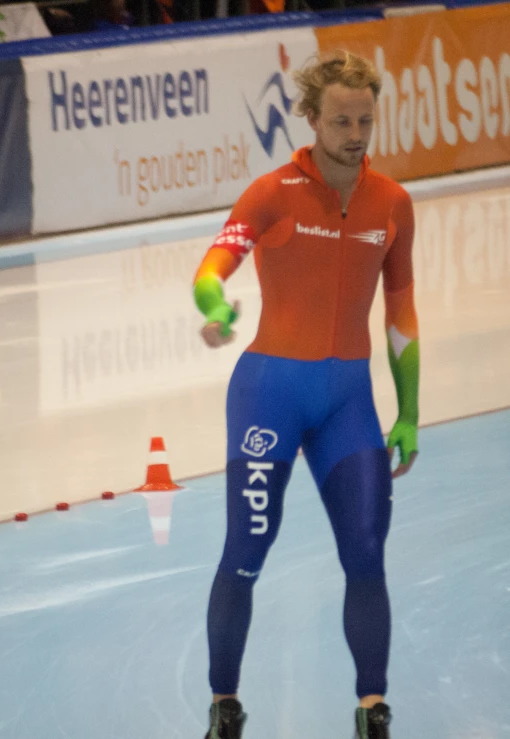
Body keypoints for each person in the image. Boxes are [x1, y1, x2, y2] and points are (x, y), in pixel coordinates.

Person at [192, 49, 419, 739]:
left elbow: (401, 313)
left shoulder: (392, 203)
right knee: (246, 548)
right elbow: (212, 267)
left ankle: (372, 708)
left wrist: (409, 409)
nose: (356, 133)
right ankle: (224, 702)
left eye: (366, 120)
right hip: (270, 395)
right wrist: (214, 304)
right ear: (312, 119)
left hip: (349, 401)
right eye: (342, 120)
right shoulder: (273, 194)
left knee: (366, 554)